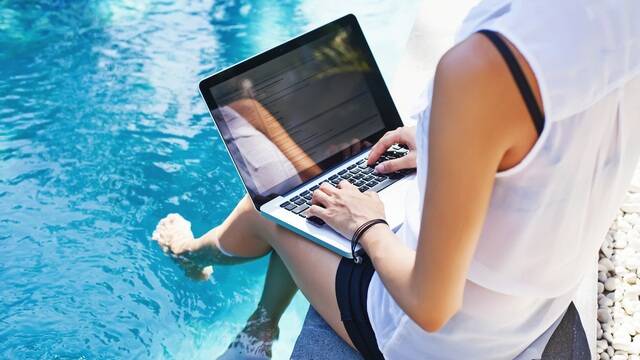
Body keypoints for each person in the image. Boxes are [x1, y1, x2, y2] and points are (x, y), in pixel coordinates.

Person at [153, 0, 640, 358]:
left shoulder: (482, 68)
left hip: (448, 341)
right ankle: (262, 324)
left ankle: (195, 257)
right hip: (535, 306)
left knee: (273, 208)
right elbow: (560, 149)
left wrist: (366, 226)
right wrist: (459, 149)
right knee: (314, 191)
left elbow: (431, 306)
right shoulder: (616, 18)